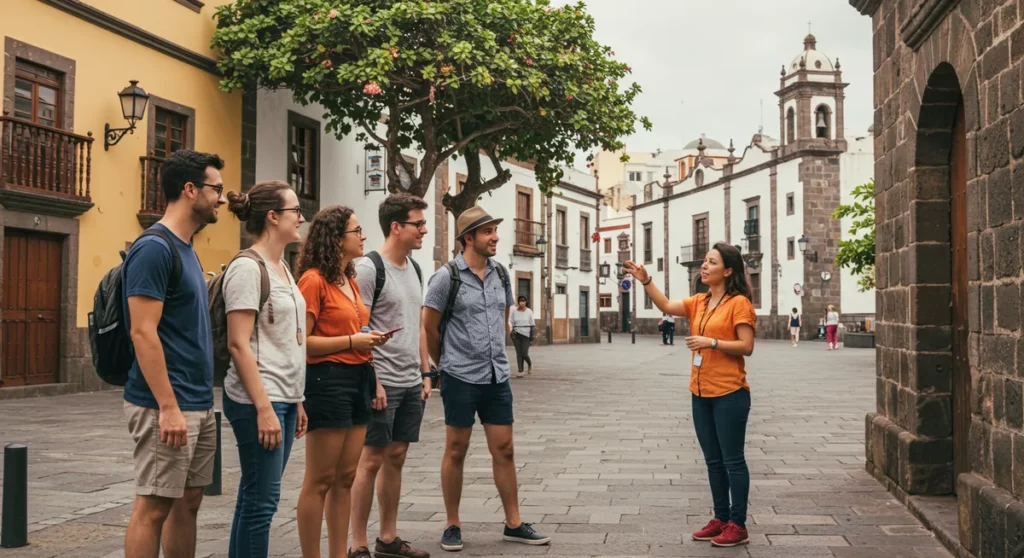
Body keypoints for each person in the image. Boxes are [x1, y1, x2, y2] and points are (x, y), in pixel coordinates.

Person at [422, 206, 551, 552]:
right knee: (456, 449)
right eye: (487, 232)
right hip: (460, 376)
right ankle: (452, 523)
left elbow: (502, 317)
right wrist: (445, 364)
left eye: (495, 230)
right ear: (468, 238)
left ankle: (514, 523)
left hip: (497, 377)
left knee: (505, 449)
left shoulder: (502, 274)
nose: (495, 237)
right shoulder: (446, 277)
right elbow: (429, 327)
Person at [121, 149, 225, 558]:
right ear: (190, 189)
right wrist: (168, 406)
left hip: (196, 400)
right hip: (165, 403)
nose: (221, 198)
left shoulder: (186, 248)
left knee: (189, 501)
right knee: (153, 506)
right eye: (216, 189)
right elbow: (142, 332)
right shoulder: (155, 247)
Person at [624, 242, 756, 548]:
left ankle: (738, 525)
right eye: (705, 261)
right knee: (713, 460)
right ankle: (721, 518)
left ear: (728, 271)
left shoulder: (739, 303)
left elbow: (746, 346)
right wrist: (646, 280)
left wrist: (711, 343)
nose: (705, 266)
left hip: (730, 393)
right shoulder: (700, 301)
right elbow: (666, 305)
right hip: (700, 391)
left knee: (733, 460)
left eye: (712, 262)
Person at [295, 206, 392, 558]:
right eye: (356, 231)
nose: (363, 236)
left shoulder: (348, 280)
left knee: (345, 478)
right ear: (336, 239)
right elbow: (302, 342)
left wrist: (368, 345)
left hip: (359, 377)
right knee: (319, 479)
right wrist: (353, 341)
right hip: (327, 380)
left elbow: (354, 331)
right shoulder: (313, 281)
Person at [221, 181, 309, 558]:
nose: (301, 218)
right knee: (262, 504)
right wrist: (264, 408)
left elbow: (287, 338)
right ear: (273, 217)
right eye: (295, 211)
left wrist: (297, 400)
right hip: (258, 400)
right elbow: (238, 343)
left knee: (253, 497)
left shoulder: (283, 267)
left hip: (284, 398)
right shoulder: (247, 268)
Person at [349, 194, 432, 558]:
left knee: (396, 456)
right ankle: (358, 543)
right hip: (381, 380)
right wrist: (374, 381)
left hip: (411, 381)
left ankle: (387, 538)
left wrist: (426, 371)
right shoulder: (369, 269)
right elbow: (359, 327)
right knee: (370, 460)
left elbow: (419, 325)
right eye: (419, 223)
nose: (424, 230)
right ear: (396, 227)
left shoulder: (415, 269)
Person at [509, 295, 535, 378]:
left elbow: (532, 324)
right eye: (520, 301)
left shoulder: (529, 311)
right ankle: (520, 371)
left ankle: (530, 364)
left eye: (523, 301)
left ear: (526, 302)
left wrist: (532, 335)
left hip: (526, 334)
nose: (522, 302)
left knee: (524, 353)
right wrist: (511, 332)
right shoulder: (514, 312)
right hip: (517, 334)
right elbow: (511, 322)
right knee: (519, 353)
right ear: (518, 302)